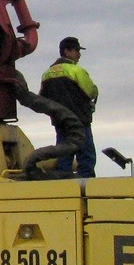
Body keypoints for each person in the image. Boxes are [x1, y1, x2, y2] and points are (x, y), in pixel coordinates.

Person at [39, 36, 99, 178]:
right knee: (86, 156)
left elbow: (42, 99)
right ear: (66, 51)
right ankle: (86, 187)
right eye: (76, 50)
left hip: (61, 122)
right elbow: (91, 91)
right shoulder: (76, 71)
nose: (79, 54)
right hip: (80, 121)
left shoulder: (47, 74)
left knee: (63, 155)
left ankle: (64, 184)